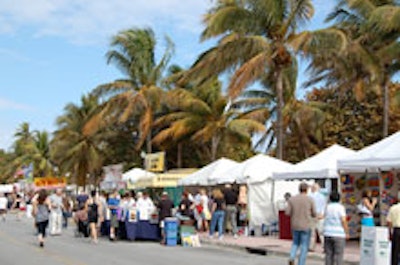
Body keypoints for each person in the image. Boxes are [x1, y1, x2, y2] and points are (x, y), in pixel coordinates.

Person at [286, 182, 316, 265]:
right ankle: (301, 263)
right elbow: (314, 213)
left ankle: (292, 257)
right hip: (306, 225)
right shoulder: (310, 199)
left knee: (295, 243)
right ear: (307, 190)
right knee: (304, 245)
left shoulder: (292, 199)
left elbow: (287, 213)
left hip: (295, 225)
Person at [323, 192, 349, 265]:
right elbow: (343, 220)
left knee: (328, 254)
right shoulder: (340, 207)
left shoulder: (327, 207)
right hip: (339, 233)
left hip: (327, 232)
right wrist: (346, 232)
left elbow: (324, 216)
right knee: (339, 255)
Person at [309, 183, 327, 251]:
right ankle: (324, 247)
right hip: (320, 215)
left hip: (312, 215)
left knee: (312, 233)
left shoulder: (309, 196)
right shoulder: (322, 196)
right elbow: (324, 206)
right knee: (321, 233)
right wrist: (322, 214)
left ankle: (311, 247)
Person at [387, 195, 400, 265]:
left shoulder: (393, 208)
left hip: (396, 230)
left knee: (395, 250)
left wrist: (389, 233)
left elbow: (389, 222)